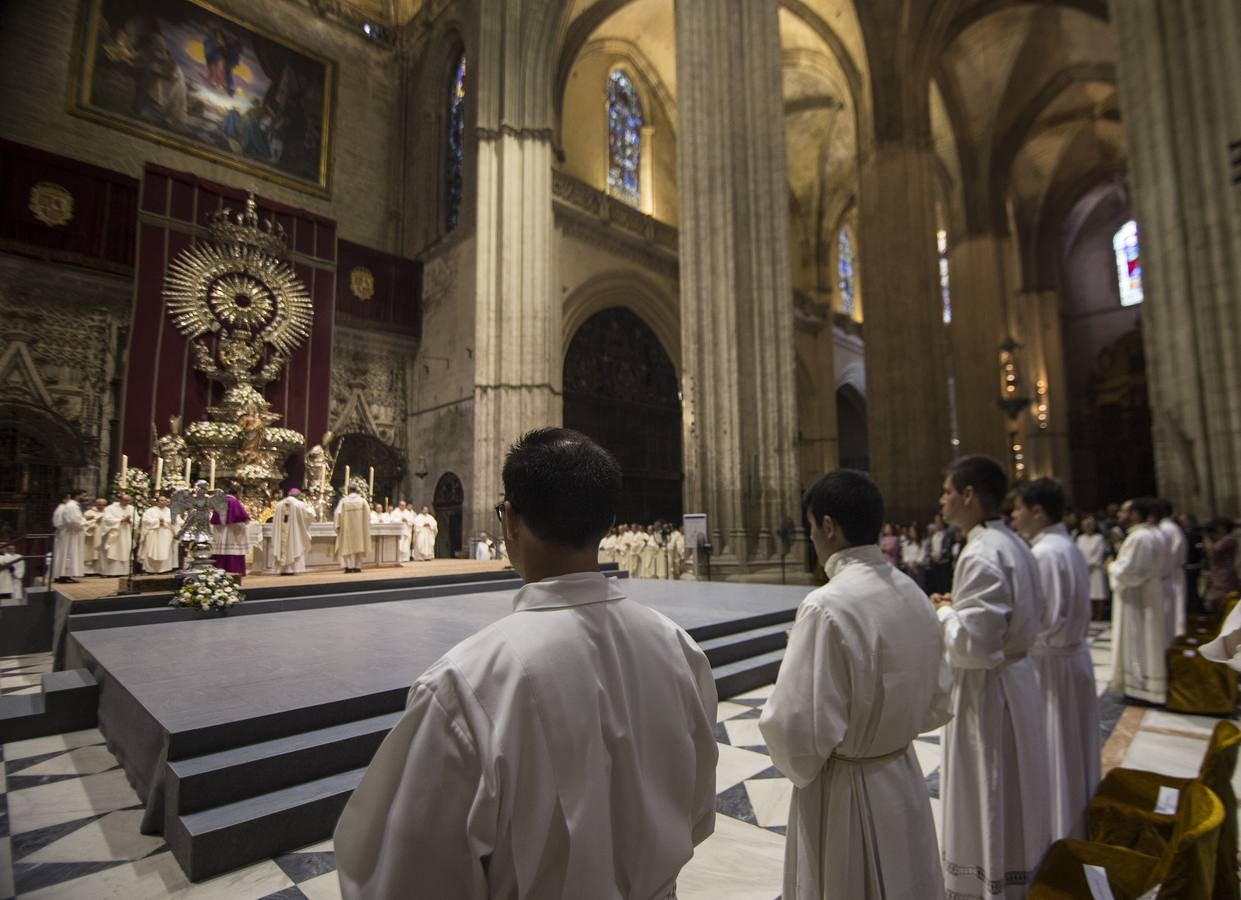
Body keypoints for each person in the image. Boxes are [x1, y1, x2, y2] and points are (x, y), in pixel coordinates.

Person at [334, 427, 718, 898]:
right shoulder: (679, 649)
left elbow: (404, 876)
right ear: (606, 521)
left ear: (511, 520)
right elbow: (698, 810)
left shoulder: (465, 684)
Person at [759, 470, 951, 900]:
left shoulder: (825, 606)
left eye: (810, 528)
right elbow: (937, 700)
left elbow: (794, 730)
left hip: (846, 792)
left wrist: (800, 656)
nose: (812, 539)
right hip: (902, 776)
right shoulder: (912, 591)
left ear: (828, 526)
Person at [932, 455, 1049, 900]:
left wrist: (942, 613)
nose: (941, 500)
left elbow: (974, 646)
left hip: (988, 692)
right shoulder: (1011, 542)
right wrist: (957, 609)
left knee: (992, 786)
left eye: (946, 491)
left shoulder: (981, 551)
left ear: (968, 495)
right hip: (1014, 680)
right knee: (1014, 786)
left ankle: (989, 881)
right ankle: (1015, 872)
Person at [1010, 478, 1100, 841]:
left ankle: (1059, 832)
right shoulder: (1067, 545)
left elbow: (1042, 619)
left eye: (1017, 509)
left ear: (1037, 511)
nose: (1013, 516)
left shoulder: (1045, 553)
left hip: (1051, 666)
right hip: (1072, 660)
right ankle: (1074, 824)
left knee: (1057, 750)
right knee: (1071, 747)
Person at [1108, 497, 1170, 704]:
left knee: (1138, 640)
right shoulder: (1153, 534)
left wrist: (1111, 566)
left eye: (1124, 511)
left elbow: (1130, 573)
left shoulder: (1140, 537)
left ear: (1135, 514)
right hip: (1148, 593)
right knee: (1147, 639)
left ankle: (1140, 687)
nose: (1120, 515)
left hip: (1138, 598)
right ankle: (1146, 685)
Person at [1156, 499, 1187, 643]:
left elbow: (1170, 554)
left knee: (1172, 611)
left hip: (1169, 573)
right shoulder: (1171, 527)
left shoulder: (1165, 529)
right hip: (1172, 572)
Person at [272, 487, 314, 575]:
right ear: (298, 496)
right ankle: (293, 569)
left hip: (282, 533)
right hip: (295, 533)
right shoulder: (300, 504)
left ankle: (282, 569)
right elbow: (310, 514)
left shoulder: (279, 504)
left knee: (282, 546)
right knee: (294, 546)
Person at [1076, 515, 1109, 620]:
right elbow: (1077, 553)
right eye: (1085, 525)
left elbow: (1099, 553)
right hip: (1083, 569)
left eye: (1089, 525)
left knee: (1098, 593)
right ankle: (1088, 615)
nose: (1087, 527)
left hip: (1096, 568)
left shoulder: (1099, 538)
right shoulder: (1080, 538)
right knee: (1087, 594)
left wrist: (1091, 564)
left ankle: (1099, 615)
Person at [1203, 517, 1238, 612]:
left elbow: (1212, 551)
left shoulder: (1228, 540)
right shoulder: (1223, 539)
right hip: (1217, 572)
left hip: (1224, 573)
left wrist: (1206, 538)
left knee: (1224, 598)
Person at [52, 490, 87, 583]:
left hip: (70, 533)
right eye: (83, 496)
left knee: (68, 554)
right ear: (77, 496)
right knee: (68, 554)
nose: (85, 498)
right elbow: (73, 521)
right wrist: (84, 523)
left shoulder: (72, 505)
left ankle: (65, 575)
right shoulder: (71, 506)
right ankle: (63, 576)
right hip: (69, 534)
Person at [335, 485, 371, 573]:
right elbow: (368, 515)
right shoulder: (362, 501)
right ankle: (357, 567)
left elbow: (338, 514)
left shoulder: (344, 501)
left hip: (347, 528)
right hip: (360, 530)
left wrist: (337, 526)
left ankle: (349, 566)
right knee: (359, 546)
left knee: (347, 547)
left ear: (349, 491)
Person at [99, 494, 137, 577]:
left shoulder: (131, 508)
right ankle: (110, 572)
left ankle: (124, 572)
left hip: (126, 532)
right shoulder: (110, 508)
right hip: (114, 533)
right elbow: (106, 520)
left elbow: (137, 520)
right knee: (113, 550)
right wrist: (121, 520)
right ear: (120, 500)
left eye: (129, 500)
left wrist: (130, 521)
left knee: (125, 550)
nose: (127, 502)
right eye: (125, 500)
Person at [139, 495, 177, 574]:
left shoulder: (171, 511)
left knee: (165, 550)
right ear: (157, 502)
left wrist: (165, 522)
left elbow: (176, 522)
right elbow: (145, 521)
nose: (163, 502)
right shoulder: (150, 511)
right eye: (161, 500)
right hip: (153, 533)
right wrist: (157, 521)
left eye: (164, 500)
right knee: (150, 549)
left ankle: (164, 569)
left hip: (166, 534)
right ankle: (150, 569)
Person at [83, 497, 108, 576]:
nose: (101, 506)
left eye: (103, 505)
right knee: (91, 552)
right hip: (92, 536)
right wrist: (95, 520)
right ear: (96, 504)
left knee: (102, 553)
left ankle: (100, 570)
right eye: (99, 504)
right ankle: (89, 571)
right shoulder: (89, 512)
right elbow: (84, 523)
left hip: (104, 536)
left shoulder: (108, 512)